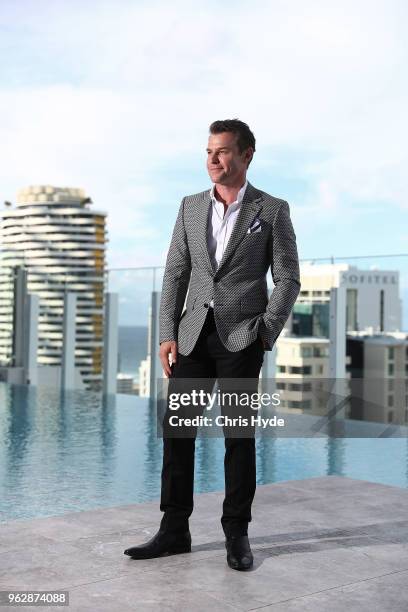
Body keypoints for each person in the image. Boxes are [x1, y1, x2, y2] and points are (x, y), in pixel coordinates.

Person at [124, 119, 301, 570]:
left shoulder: (272, 210)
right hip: (191, 336)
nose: (213, 160)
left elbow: (287, 278)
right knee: (177, 431)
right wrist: (166, 333)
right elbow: (175, 274)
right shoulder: (188, 207)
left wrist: (266, 331)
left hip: (242, 336)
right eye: (208, 152)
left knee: (238, 436)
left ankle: (237, 534)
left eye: (222, 152)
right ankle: (173, 530)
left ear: (246, 155)